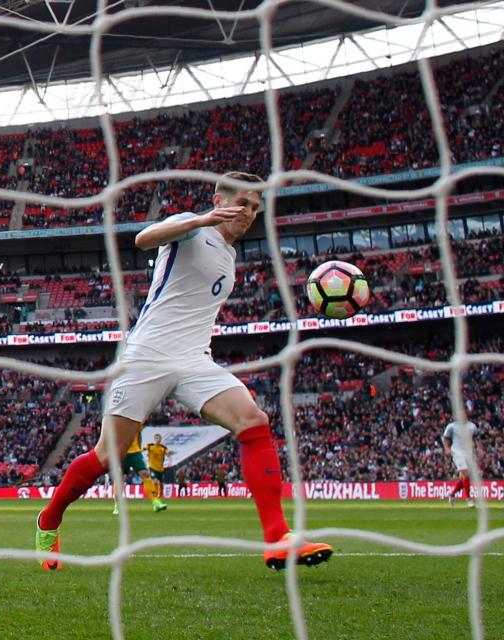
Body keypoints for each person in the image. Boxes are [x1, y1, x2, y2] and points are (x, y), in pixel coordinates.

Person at [35, 172, 333, 571]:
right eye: (242, 204)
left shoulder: (229, 256)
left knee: (253, 420)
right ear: (218, 200)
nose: (248, 214)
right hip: (146, 356)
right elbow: (144, 239)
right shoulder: (191, 227)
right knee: (108, 457)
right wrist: (199, 220)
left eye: (255, 208)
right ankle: (49, 518)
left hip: (194, 360)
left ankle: (277, 538)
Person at [110, 433, 166, 515]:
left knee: (146, 474)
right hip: (122, 451)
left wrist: (138, 448)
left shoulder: (137, 421)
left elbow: (139, 434)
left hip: (135, 452)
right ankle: (117, 505)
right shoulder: (118, 420)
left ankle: (155, 502)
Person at [443, 416, 481, 508]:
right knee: (465, 473)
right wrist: (447, 448)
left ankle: (452, 494)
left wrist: (480, 449)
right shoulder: (451, 426)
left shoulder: (472, 426)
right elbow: (445, 438)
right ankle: (469, 499)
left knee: (465, 476)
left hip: (469, 452)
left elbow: (477, 438)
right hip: (457, 452)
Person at [145, 433, 172, 505]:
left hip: (160, 469)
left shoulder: (163, 448)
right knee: (155, 481)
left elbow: (168, 455)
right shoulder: (150, 446)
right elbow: (144, 448)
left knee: (161, 484)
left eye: (158, 438)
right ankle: (156, 497)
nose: (157, 440)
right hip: (152, 468)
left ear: (160, 439)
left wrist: (170, 462)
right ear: (154, 439)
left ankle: (160, 495)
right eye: (156, 438)